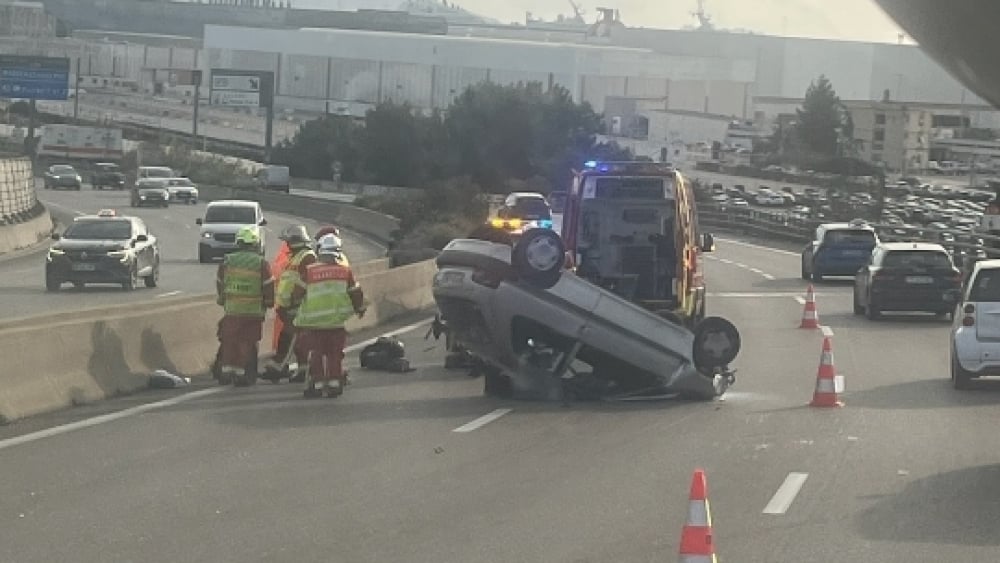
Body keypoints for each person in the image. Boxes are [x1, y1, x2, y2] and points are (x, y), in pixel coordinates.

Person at [292, 233, 366, 398]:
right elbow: (356, 293)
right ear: (338, 252)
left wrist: (296, 305)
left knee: (316, 353)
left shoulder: (309, 271)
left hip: (313, 323)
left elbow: (297, 294)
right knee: (334, 354)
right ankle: (334, 383)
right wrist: (360, 309)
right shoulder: (345, 271)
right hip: (336, 323)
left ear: (320, 251)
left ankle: (317, 385)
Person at [216, 226, 275, 385]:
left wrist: (222, 298)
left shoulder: (228, 260)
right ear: (255, 244)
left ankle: (227, 370)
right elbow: (268, 285)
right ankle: (241, 373)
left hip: (232, 310)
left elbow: (220, 282)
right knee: (247, 342)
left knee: (229, 340)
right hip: (253, 311)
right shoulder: (261, 263)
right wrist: (269, 302)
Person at [265, 225, 317, 381]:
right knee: (296, 340)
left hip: (297, 306)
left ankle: (278, 367)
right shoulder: (295, 257)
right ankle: (302, 370)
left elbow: (304, 282)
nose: (286, 245)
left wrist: (293, 301)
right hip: (288, 306)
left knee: (289, 338)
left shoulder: (307, 257)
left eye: (288, 242)